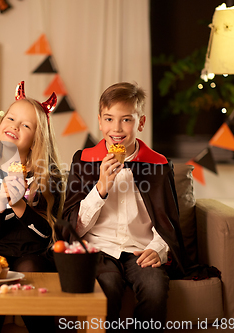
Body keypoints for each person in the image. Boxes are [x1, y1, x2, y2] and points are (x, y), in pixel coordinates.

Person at [62, 82, 190, 332]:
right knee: (106, 289)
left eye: (126, 120)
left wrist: (158, 249)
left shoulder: (158, 165)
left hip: (140, 250)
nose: (116, 129)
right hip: (98, 249)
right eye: (109, 119)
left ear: (140, 123)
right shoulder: (84, 160)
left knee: (154, 290)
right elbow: (72, 225)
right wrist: (100, 187)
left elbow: (168, 221)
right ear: (100, 121)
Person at [0, 81, 64, 333]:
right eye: (11, 118)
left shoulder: (48, 175)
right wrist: (1, 204)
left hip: (31, 251)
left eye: (26, 125)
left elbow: (47, 234)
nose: (14, 126)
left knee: (29, 269)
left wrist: (21, 204)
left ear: (36, 139)